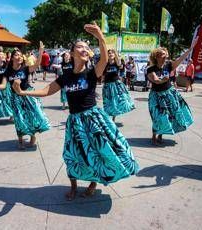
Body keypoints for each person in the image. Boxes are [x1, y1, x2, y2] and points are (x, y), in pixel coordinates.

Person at [22, 22, 139, 201]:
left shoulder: (92, 73)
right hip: (75, 121)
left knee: (98, 153)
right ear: (72, 53)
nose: (84, 49)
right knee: (72, 155)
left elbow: (104, 61)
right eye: (80, 46)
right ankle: (74, 186)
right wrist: (24, 92)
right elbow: (46, 90)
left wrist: (100, 37)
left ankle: (93, 182)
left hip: (93, 120)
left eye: (86, 47)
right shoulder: (66, 76)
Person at [0, 42, 50, 150]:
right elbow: (3, 85)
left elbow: (37, 64)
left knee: (32, 117)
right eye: (17, 55)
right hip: (16, 98)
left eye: (21, 55)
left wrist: (40, 52)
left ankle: (32, 137)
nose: (20, 56)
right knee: (19, 119)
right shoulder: (8, 71)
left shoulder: (25, 69)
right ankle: (20, 141)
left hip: (28, 95)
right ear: (12, 58)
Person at [147, 41, 196, 146]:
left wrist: (190, 49)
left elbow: (180, 59)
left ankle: (161, 135)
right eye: (163, 55)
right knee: (158, 116)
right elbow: (155, 80)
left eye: (166, 55)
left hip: (169, 93)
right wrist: (162, 80)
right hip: (156, 95)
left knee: (168, 116)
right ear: (157, 57)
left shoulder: (169, 65)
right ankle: (154, 135)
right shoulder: (151, 69)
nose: (166, 57)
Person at [102, 49, 135, 122]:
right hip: (107, 85)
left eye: (112, 53)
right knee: (109, 102)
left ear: (114, 55)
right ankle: (110, 117)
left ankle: (113, 117)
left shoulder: (116, 63)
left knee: (119, 100)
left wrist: (115, 53)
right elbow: (103, 74)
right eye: (109, 53)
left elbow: (120, 64)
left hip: (116, 84)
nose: (110, 54)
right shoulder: (105, 64)